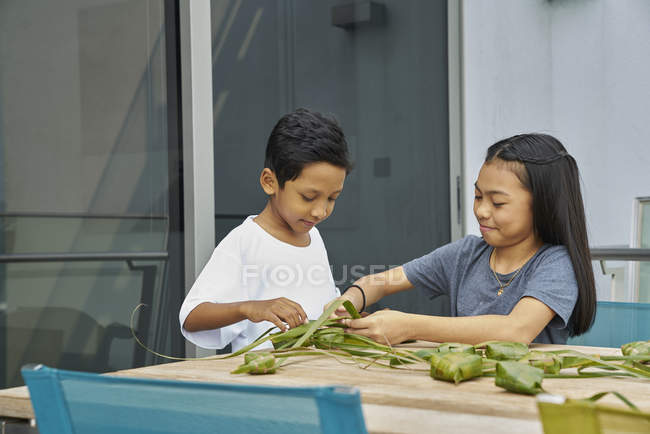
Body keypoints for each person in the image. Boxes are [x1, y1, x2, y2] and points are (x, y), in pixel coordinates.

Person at [331, 133, 596, 345]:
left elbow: (515, 331)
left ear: (544, 205)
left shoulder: (556, 264)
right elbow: (377, 283)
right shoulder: (466, 253)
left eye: (498, 202)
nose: (481, 211)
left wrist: (408, 326)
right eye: (478, 196)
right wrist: (349, 303)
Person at [180, 108, 353, 351]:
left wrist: (345, 315)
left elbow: (321, 306)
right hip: (266, 381)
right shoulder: (245, 241)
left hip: (315, 376)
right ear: (270, 182)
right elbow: (191, 317)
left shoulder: (313, 235)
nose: (320, 211)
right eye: (308, 197)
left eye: (332, 198)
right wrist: (250, 308)